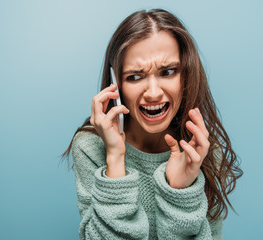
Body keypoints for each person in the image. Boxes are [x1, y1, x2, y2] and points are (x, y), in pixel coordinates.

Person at [63, 8, 242, 239]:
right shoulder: (90, 147)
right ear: (116, 86)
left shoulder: (203, 152)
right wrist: (115, 158)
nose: (153, 93)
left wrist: (181, 192)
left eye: (168, 72)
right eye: (135, 77)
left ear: (186, 76)